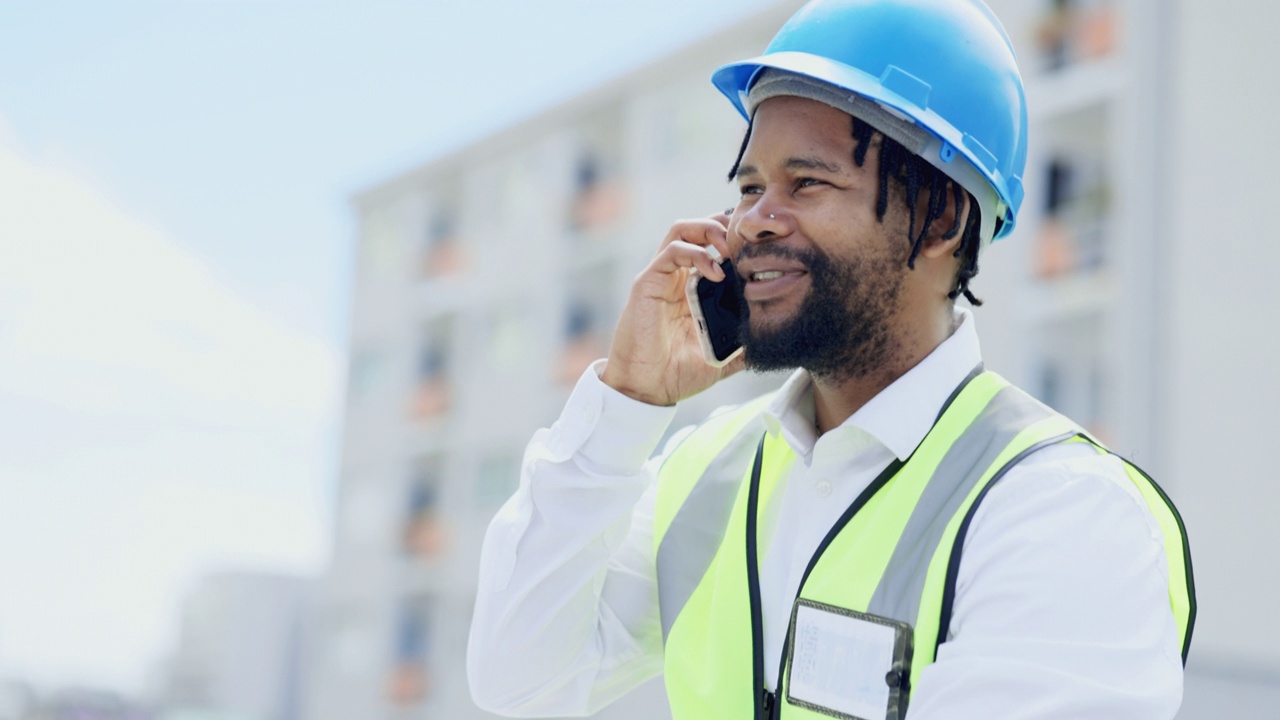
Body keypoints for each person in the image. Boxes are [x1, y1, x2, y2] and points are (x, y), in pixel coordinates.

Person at [467, 0, 1196, 718]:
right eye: (749, 187)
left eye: (806, 182)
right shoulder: (703, 475)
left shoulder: (1060, 508)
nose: (752, 220)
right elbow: (520, 682)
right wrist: (626, 406)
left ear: (941, 217)